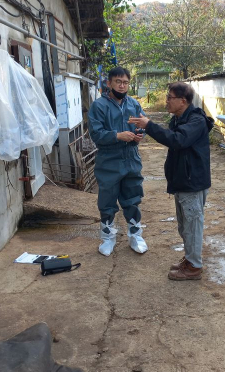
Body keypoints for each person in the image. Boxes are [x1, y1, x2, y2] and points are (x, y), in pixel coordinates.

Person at [129, 82, 214, 280]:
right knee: (184, 225)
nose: (166, 101)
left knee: (192, 225)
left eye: (170, 98)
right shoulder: (178, 119)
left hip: (192, 182)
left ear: (182, 101)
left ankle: (194, 267)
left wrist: (149, 125)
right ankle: (190, 258)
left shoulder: (195, 121)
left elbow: (177, 140)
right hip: (183, 180)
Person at [88, 67, 147, 256]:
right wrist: (117, 135)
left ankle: (135, 235)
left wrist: (140, 135)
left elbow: (142, 125)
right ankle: (107, 238)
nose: (122, 86)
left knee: (132, 199)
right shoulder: (99, 106)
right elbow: (96, 134)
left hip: (131, 158)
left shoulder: (134, 104)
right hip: (109, 160)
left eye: (125, 82)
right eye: (118, 82)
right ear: (109, 83)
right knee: (107, 201)